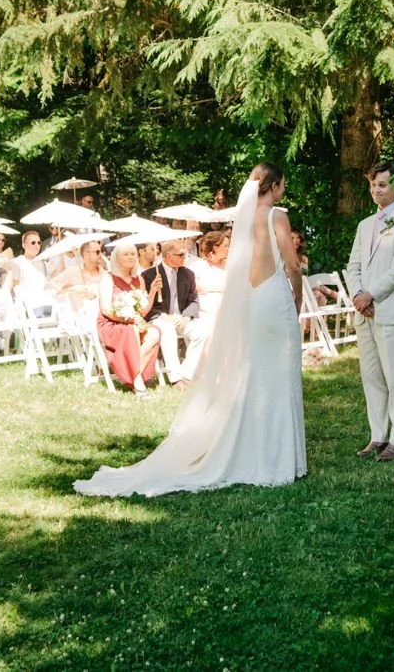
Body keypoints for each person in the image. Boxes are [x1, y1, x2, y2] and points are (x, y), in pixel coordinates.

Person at [74, 163, 307, 497]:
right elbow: (293, 264)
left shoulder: (242, 221)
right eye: (282, 184)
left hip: (254, 300)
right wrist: (296, 294)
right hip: (274, 297)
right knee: (281, 372)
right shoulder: (277, 216)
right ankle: (282, 459)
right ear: (274, 186)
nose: (283, 190)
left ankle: (258, 451)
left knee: (255, 373)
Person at [345, 161, 394, 463]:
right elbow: (353, 266)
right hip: (364, 312)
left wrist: (370, 295)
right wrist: (356, 296)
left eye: (382, 185)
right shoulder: (365, 225)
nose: (376, 190)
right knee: (371, 376)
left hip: (390, 309)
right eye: (373, 185)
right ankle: (377, 435)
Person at [96, 242, 162, 393]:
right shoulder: (108, 278)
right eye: (126, 254)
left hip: (133, 321)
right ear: (116, 258)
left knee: (154, 332)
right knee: (132, 329)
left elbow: (143, 312)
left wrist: (152, 292)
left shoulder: (139, 280)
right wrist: (130, 319)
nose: (131, 256)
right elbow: (106, 310)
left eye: (133, 253)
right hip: (112, 322)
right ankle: (136, 380)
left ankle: (136, 376)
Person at [142, 240, 199, 384]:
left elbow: (194, 300)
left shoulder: (188, 274)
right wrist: (163, 316)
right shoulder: (149, 275)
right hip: (160, 319)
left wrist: (186, 317)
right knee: (168, 330)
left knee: (203, 332)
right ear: (168, 256)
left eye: (185, 254)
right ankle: (176, 378)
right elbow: (146, 305)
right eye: (181, 254)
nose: (184, 257)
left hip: (182, 318)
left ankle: (187, 374)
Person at [182, 229, 228, 380]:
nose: (229, 249)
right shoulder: (198, 266)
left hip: (226, 308)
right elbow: (189, 289)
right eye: (226, 246)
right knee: (209, 329)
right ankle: (206, 373)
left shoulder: (229, 266)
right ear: (215, 247)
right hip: (204, 310)